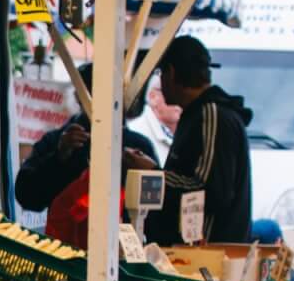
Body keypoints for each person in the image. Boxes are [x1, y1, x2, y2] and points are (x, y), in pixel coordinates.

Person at [14, 65, 159, 248]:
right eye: (93, 91)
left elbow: (155, 214)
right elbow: (26, 196)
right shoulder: (57, 141)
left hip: (125, 257)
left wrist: (146, 171)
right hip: (64, 256)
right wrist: (59, 158)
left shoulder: (138, 147)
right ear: (78, 95)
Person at [149, 35, 255, 245]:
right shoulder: (199, 114)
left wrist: (153, 175)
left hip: (205, 256)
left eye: (161, 73)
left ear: (170, 73)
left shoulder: (212, 114)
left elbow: (208, 190)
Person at [127, 75, 180, 160]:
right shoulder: (136, 132)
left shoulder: (183, 130)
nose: (179, 99)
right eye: (174, 92)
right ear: (152, 97)